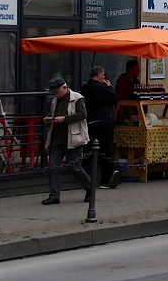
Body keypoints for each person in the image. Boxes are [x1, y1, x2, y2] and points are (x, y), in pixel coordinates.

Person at [42, 76, 93, 205]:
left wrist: (65, 119)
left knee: (75, 167)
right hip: (57, 139)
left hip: (73, 138)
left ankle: (89, 188)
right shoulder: (55, 101)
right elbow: (53, 115)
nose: (55, 94)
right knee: (53, 167)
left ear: (64, 87)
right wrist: (49, 120)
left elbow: (82, 114)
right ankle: (54, 195)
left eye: (56, 90)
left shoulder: (77, 98)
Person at [80, 66, 122, 189]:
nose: (104, 77)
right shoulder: (103, 88)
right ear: (99, 74)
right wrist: (109, 87)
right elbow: (114, 99)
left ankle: (91, 174)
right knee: (107, 149)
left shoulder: (86, 87)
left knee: (93, 148)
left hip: (91, 121)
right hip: (105, 121)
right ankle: (108, 177)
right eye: (103, 75)